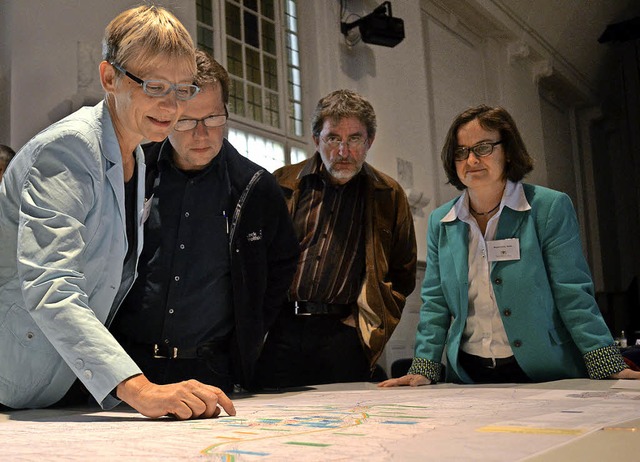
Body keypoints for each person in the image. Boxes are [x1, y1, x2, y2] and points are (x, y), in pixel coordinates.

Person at [0, 6, 235, 419]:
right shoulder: (69, 148)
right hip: (10, 377)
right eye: (156, 86)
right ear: (110, 77)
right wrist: (140, 389)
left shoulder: (137, 157)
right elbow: (50, 284)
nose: (172, 105)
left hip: (57, 384)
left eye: (183, 89)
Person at [379, 104, 640, 387]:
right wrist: (425, 368)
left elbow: (572, 293)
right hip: (469, 375)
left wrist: (606, 363)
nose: (471, 159)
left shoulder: (548, 208)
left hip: (544, 371)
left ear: (508, 150)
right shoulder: (441, 221)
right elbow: (435, 302)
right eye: (461, 151)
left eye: (483, 147)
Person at [110, 50, 299, 393]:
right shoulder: (133, 171)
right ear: (166, 115)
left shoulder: (255, 188)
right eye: (186, 121)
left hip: (212, 371)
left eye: (213, 119)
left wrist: (250, 331)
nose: (201, 135)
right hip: (130, 369)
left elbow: (282, 266)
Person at [255, 89, 417, 389]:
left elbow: (402, 274)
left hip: (343, 335)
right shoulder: (282, 183)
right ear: (317, 140)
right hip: (280, 330)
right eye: (333, 139)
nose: (343, 151)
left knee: (349, 424)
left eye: (354, 139)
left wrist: (364, 325)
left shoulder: (388, 195)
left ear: (369, 141)